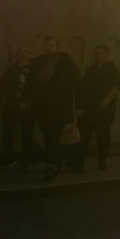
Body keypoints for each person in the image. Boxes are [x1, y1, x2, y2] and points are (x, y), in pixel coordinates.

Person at [25, 36, 81, 178]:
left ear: (58, 47)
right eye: (47, 46)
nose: (49, 48)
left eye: (52, 46)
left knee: (54, 136)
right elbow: (31, 83)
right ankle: (60, 162)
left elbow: (78, 82)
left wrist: (79, 105)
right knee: (48, 136)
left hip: (60, 107)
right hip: (43, 107)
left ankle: (53, 164)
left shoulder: (65, 63)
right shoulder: (39, 62)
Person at [80, 43, 120, 171]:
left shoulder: (112, 69)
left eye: (101, 53)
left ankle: (102, 162)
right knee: (84, 135)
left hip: (105, 109)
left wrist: (107, 100)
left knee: (103, 136)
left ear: (107, 54)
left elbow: (115, 87)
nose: (98, 56)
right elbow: (84, 88)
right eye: (97, 54)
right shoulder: (90, 69)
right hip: (90, 108)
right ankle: (79, 161)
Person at [0, 47, 30, 166]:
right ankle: (11, 157)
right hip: (12, 104)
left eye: (25, 52)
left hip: (27, 105)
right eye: (21, 52)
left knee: (26, 132)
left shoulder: (34, 69)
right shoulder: (12, 69)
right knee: (7, 131)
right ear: (17, 54)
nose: (23, 54)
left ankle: (25, 159)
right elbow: (3, 84)